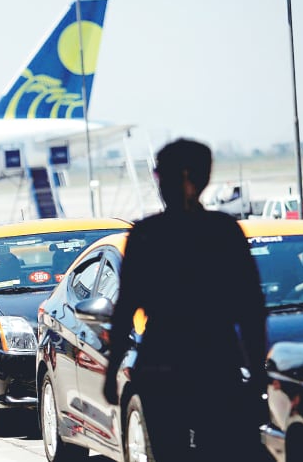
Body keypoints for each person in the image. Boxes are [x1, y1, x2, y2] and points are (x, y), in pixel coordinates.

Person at [103, 138, 268, 461]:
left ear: (187, 177)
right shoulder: (225, 232)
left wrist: (112, 373)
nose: (159, 184)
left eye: (161, 175)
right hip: (217, 366)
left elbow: (125, 309)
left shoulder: (147, 235)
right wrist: (256, 375)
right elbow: (251, 312)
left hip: (163, 367)